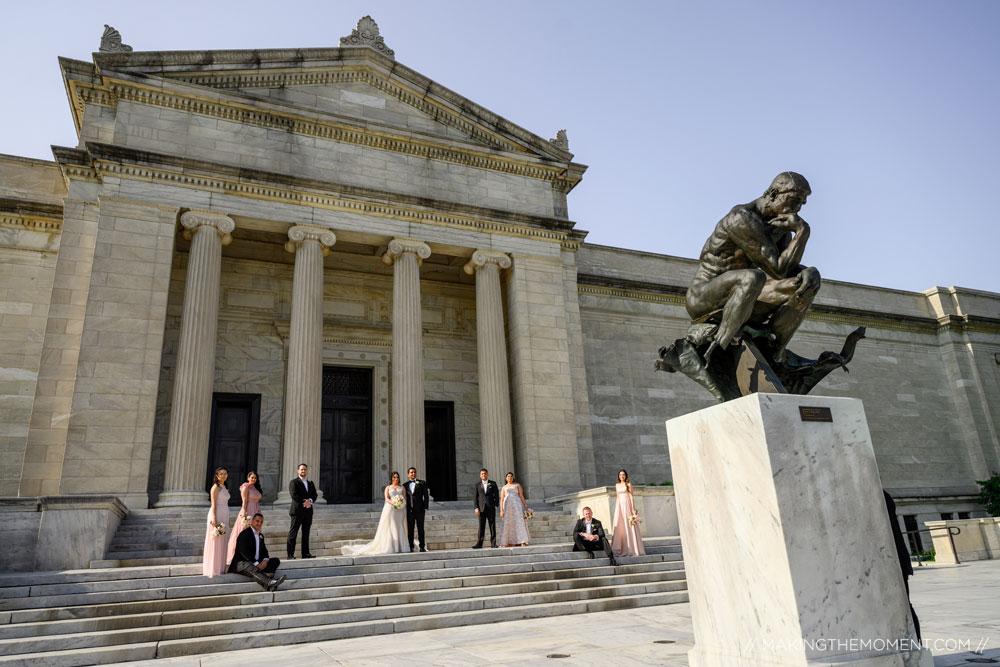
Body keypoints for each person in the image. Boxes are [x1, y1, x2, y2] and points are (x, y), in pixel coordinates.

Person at [686, 172, 820, 363]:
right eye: (793, 200)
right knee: (754, 277)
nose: (796, 209)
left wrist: (807, 272)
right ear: (773, 194)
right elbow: (778, 269)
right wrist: (803, 232)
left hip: (745, 296)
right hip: (703, 296)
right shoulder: (741, 218)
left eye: (801, 203)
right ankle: (722, 345)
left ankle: (775, 350)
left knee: (808, 281)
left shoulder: (781, 227)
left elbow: (786, 272)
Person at [341, 472, 410, 556]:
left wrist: (400, 503)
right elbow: (387, 498)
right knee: (392, 526)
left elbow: (404, 497)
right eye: (394, 477)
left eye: (397, 477)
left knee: (400, 525)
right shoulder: (388, 487)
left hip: (400, 510)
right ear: (391, 478)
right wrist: (394, 503)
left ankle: (400, 546)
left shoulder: (402, 487)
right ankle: (392, 546)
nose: (396, 479)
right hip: (391, 508)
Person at [884, 490, 921, 642]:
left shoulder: (879, 495)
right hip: (894, 561)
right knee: (904, 605)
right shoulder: (882, 494)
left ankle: (915, 649)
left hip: (892, 562)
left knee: (903, 606)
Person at [228, 513, 286, 591]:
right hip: (241, 563)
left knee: (275, 561)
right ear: (252, 521)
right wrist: (256, 563)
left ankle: (264, 576)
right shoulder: (244, 534)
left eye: (261, 522)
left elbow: (264, 551)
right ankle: (269, 583)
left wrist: (265, 560)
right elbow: (244, 551)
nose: (259, 524)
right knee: (251, 567)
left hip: (256, 562)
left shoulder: (260, 536)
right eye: (257, 521)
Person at [226, 471, 263, 567]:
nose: (253, 479)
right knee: (244, 532)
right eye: (252, 477)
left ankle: (254, 555)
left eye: (255, 477)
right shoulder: (245, 487)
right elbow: (244, 501)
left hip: (256, 510)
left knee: (255, 533)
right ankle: (239, 555)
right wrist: (244, 513)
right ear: (248, 478)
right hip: (248, 510)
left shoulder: (255, 488)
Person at [202, 467, 230, 577]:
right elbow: (213, 504)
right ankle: (213, 568)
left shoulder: (225, 487)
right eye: (221, 474)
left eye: (225, 474)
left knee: (222, 539)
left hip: (224, 513)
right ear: (217, 476)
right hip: (217, 512)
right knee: (216, 539)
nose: (224, 476)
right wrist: (214, 518)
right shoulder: (215, 488)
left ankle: (220, 567)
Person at [610, 469, 645, 557]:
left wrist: (633, 508)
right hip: (620, 506)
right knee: (620, 524)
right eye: (620, 475)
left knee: (629, 524)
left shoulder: (628, 484)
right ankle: (622, 547)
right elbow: (618, 497)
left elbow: (631, 496)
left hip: (627, 505)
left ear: (626, 476)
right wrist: (617, 509)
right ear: (618, 476)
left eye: (623, 475)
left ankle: (633, 548)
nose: (622, 476)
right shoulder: (617, 485)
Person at [287, 463, 318, 559]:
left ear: (307, 470)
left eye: (305, 469)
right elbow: (294, 495)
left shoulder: (310, 482)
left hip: (308, 512)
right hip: (297, 511)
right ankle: (290, 554)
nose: (303, 471)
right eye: (301, 469)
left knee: (306, 532)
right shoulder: (294, 482)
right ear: (298, 470)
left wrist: (310, 501)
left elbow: (315, 494)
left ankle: (305, 553)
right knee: (293, 532)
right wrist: (305, 502)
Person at [499, 472, 531, 547]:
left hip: (517, 505)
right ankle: (509, 541)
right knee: (509, 522)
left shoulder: (517, 485)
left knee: (519, 522)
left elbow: (521, 495)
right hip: (508, 506)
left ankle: (522, 540)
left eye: (511, 476)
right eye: (508, 476)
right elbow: (502, 499)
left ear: (513, 478)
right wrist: (501, 510)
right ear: (506, 478)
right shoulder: (504, 487)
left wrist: (526, 506)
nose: (509, 478)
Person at [403, 467, 430, 552]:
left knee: (420, 528)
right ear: (408, 474)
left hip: (420, 510)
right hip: (410, 510)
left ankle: (422, 546)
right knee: (410, 529)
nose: (413, 474)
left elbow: (426, 496)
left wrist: (425, 507)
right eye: (411, 472)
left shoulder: (422, 483)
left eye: (414, 472)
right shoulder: (405, 485)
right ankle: (411, 546)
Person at [472, 468, 499, 548]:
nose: (484, 475)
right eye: (482, 474)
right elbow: (475, 497)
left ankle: (493, 543)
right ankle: (479, 544)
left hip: (491, 508)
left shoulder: (493, 484)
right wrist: (476, 508)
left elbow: (497, 496)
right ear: (480, 475)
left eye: (485, 473)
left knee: (492, 526)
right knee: (481, 526)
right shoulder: (477, 485)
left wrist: (495, 505)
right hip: (481, 509)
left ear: (487, 474)